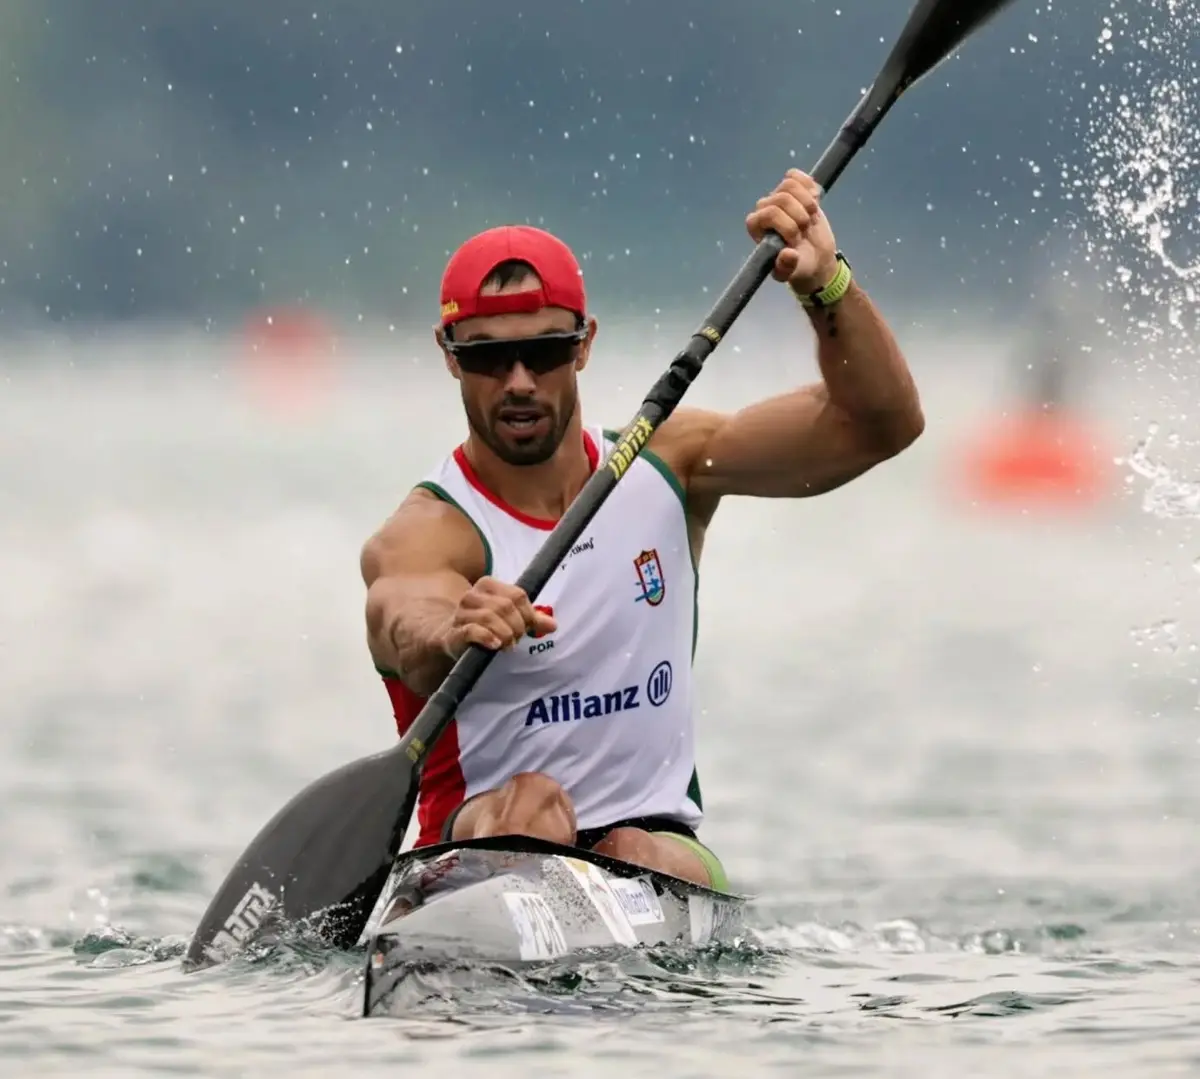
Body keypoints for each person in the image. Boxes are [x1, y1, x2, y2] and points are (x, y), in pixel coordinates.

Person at [361, 168, 924, 892]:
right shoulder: (432, 531)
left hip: (652, 850)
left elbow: (884, 424)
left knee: (635, 847)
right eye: (488, 358)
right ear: (448, 355)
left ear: (586, 344)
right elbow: (404, 618)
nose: (521, 381)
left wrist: (825, 287)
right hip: (481, 853)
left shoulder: (671, 466)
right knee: (533, 806)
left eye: (547, 350)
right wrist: (452, 630)